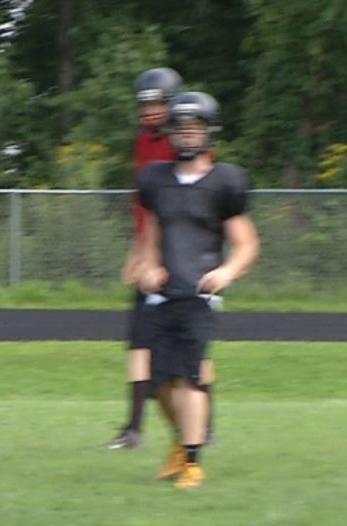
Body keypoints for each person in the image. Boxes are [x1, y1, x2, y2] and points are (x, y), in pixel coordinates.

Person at [137, 92, 259, 488]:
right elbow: (153, 232)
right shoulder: (156, 178)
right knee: (158, 384)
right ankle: (181, 440)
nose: (187, 135)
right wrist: (150, 265)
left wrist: (228, 271)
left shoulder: (225, 181)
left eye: (195, 128)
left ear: (208, 131)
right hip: (162, 294)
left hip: (200, 293)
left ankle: (191, 461)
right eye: (181, 128)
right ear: (170, 133)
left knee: (189, 377)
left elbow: (246, 243)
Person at [105, 67, 182, 449]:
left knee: (188, 345)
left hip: (181, 254)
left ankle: (205, 423)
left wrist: (163, 256)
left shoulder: (184, 143)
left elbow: (184, 205)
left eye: (157, 102)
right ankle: (134, 429)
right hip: (149, 249)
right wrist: (136, 252)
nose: (150, 110)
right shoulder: (142, 143)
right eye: (145, 103)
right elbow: (142, 202)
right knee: (137, 342)